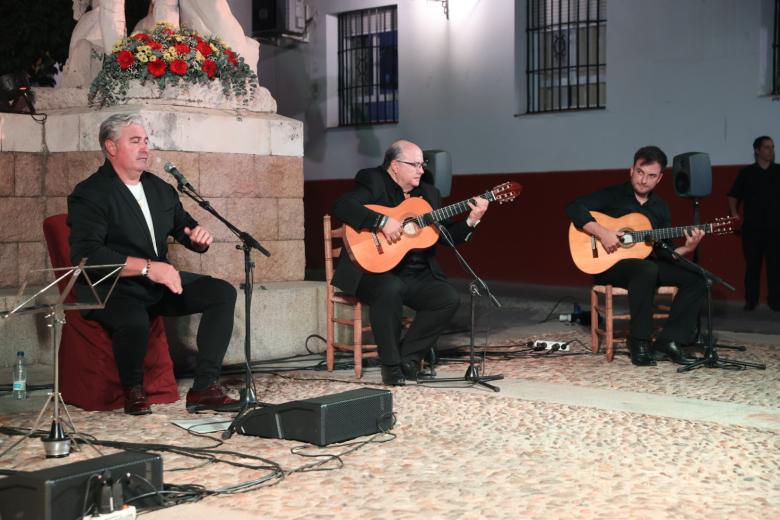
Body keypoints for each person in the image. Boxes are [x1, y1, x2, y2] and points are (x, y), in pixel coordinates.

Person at [68, 113, 239, 415]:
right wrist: (148, 267)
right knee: (133, 319)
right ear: (111, 147)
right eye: (135, 141)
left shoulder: (161, 189)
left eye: (146, 141)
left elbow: (184, 228)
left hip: (155, 285)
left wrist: (197, 238)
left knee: (222, 293)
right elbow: (87, 256)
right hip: (112, 289)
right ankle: (133, 391)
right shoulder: (90, 193)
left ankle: (204, 388)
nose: (145, 148)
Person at [331, 140, 489, 385]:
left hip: (414, 274)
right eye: (415, 165)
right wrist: (381, 222)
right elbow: (342, 206)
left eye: (422, 164)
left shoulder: (429, 193)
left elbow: (447, 238)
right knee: (389, 289)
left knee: (447, 298)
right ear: (395, 166)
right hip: (371, 270)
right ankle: (391, 367)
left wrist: (472, 219)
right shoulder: (373, 180)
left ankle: (409, 358)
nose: (421, 170)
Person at [565, 146, 706, 366]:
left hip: (644, 268)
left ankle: (669, 340)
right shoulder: (613, 195)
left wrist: (688, 247)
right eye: (640, 172)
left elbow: (666, 253)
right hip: (607, 265)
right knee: (646, 269)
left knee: (697, 277)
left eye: (651, 176)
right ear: (631, 170)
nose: (643, 180)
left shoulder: (660, 208)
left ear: (659, 179)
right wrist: (603, 233)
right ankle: (639, 340)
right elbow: (573, 207)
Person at [727, 136, 780, 312]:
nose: (771, 150)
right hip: (752, 230)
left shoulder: (778, 171)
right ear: (757, 150)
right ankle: (751, 300)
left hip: (775, 229)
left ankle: (775, 301)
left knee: (775, 267)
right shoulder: (746, 173)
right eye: (767, 147)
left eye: (772, 147)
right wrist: (734, 213)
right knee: (752, 267)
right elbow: (733, 195)